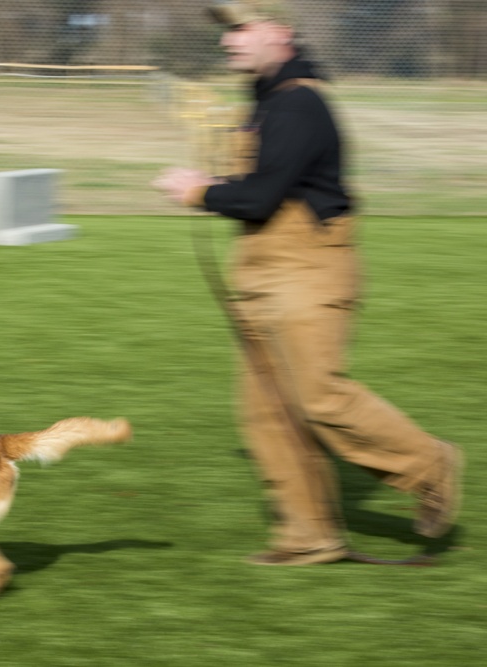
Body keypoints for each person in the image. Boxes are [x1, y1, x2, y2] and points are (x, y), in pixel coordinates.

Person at [153, 0, 462, 565]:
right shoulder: (267, 103)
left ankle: (431, 465)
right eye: (227, 30)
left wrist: (198, 191)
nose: (229, 41)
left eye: (242, 28)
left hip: (309, 270)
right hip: (263, 271)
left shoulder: (300, 105)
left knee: (319, 397)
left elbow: (259, 197)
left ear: (280, 32)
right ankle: (307, 534)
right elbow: (261, 186)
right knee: (267, 412)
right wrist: (215, 182)